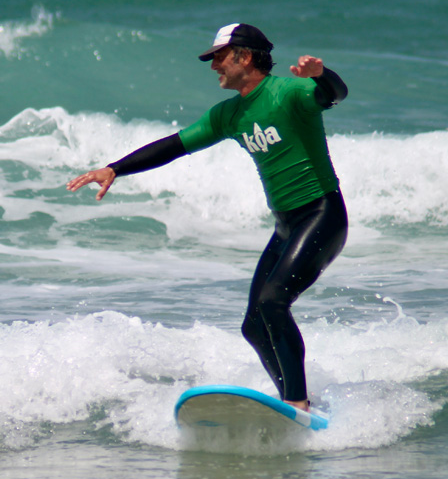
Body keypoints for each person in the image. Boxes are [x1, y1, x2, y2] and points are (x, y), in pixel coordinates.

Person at [67, 23, 349, 412]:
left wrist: (321, 75)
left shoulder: (289, 92)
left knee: (272, 303)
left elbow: (335, 94)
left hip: (321, 214)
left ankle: (297, 404)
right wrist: (116, 168)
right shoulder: (229, 115)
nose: (213, 66)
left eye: (218, 57)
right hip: (286, 225)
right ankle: (296, 404)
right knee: (253, 326)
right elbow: (174, 145)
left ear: (244, 57)